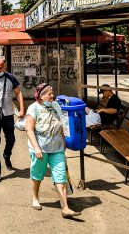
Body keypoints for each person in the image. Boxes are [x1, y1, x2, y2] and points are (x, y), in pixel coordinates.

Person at [26, 83, 81, 218]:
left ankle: (65, 208)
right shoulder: (33, 108)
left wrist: (63, 142)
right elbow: (29, 129)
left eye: (52, 93)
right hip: (40, 148)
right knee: (37, 175)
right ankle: (35, 198)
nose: (52, 96)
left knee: (60, 176)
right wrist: (36, 147)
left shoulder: (56, 106)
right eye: (49, 94)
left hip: (57, 148)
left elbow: (60, 125)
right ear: (40, 96)